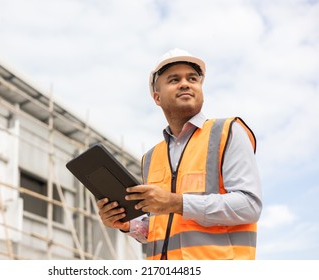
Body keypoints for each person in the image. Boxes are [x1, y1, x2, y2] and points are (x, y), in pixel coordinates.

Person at [97, 48, 262, 260]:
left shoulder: (227, 132)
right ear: (157, 97)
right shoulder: (151, 157)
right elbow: (163, 227)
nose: (185, 83)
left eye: (192, 78)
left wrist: (176, 202)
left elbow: (249, 206)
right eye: (174, 80)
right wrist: (128, 224)